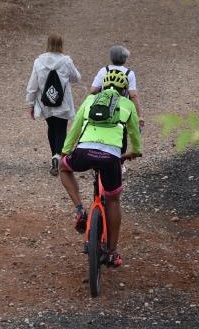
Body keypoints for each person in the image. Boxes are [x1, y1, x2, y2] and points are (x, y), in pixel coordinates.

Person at [59, 70, 142, 267]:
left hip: (84, 152)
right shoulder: (128, 104)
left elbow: (76, 127)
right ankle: (112, 252)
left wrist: (65, 152)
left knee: (64, 169)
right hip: (110, 157)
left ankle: (80, 209)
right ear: (124, 90)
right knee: (113, 200)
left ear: (103, 87)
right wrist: (134, 152)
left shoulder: (90, 100)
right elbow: (134, 132)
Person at [26, 34, 81, 175]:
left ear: (48, 43)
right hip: (62, 102)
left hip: (46, 102)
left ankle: (54, 156)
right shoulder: (66, 61)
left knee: (51, 127)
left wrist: (31, 102)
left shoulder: (38, 62)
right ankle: (58, 156)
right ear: (61, 44)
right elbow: (76, 78)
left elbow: (33, 84)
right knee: (61, 129)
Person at [91, 45, 144, 130]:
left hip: (104, 105)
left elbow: (93, 90)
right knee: (121, 130)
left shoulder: (103, 70)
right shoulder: (129, 73)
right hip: (122, 107)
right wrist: (139, 116)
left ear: (111, 57)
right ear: (125, 58)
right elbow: (133, 95)